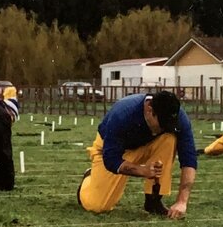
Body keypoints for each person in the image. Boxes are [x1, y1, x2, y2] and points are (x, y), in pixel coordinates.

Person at [78, 90, 197, 219]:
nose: (163, 129)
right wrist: (141, 170)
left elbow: (189, 159)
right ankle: (87, 179)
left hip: (144, 145)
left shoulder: (179, 118)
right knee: (97, 206)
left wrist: (182, 201)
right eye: (161, 124)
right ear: (149, 109)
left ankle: (153, 199)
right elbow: (111, 159)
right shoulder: (122, 113)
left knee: (169, 138)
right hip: (112, 152)